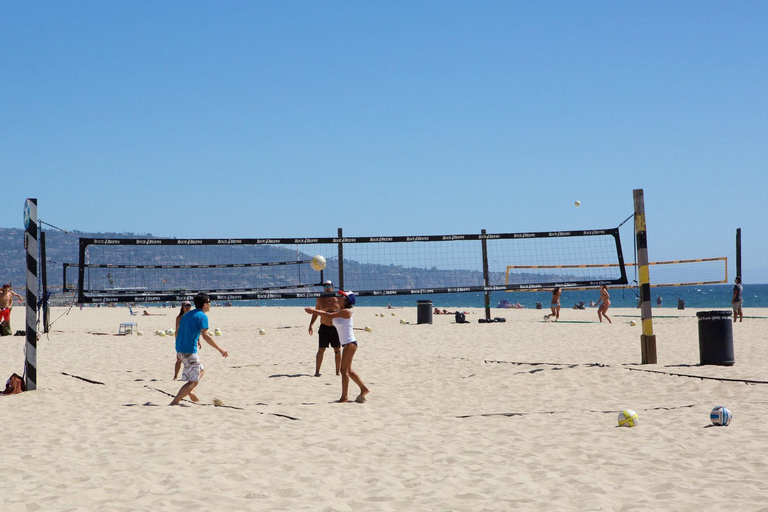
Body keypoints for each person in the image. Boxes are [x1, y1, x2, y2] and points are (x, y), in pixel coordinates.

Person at [305, 290, 369, 403]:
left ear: (346, 300)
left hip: (350, 344)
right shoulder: (340, 310)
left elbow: (329, 315)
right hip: (347, 344)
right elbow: (327, 313)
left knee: (343, 370)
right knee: (348, 370)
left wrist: (314, 311)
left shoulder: (347, 312)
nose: (338, 298)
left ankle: (344, 397)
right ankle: (364, 389)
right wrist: (314, 312)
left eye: (341, 297)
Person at [170, 293, 228, 406]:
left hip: (181, 349)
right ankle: (175, 402)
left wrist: (178, 351)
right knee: (193, 381)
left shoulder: (187, 315)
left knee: (201, 371)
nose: (211, 304)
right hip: (189, 351)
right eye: (210, 302)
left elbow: (178, 332)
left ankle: (190, 391)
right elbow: (206, 335)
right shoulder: (202, 316)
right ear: (205, 304)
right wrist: (220, 349)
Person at [308, 280, 342, 377]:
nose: (327, 289)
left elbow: (344, 311)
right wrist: (311, 325)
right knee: (321, 349)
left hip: (336, 327)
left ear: (332, 287)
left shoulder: (338, 298)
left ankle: (337, 372)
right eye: (325, 287)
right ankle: (317, 372)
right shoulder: (320, 299)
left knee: (337, 349)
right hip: (324, 327)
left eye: (328, 287)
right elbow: (316, 312)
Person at [173, 301, 195, 380]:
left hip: (190, 339)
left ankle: (189, 376)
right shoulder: (179, 317)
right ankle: (175, 376)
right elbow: (177, 330)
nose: (188, 307)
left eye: (189, 305)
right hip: (181, 339)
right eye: (186, 306)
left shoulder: (192, 316)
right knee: (179, 359)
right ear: (182, 307)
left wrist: (198, 340)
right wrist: (177, 341)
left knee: (191, 358)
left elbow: (195, 329)